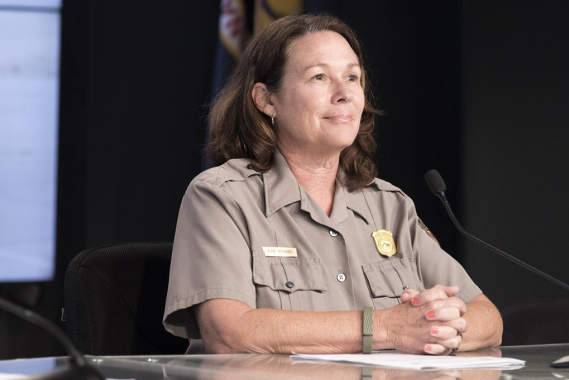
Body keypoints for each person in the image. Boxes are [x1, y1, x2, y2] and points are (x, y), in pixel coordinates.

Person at [163, 14, 503, 356]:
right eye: (319, 77)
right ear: (267, 100)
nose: (344, 94)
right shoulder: (221, 196)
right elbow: (230, 332)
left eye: (352, 77)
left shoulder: (390, 206)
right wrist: (386, 328)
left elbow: (487, 318)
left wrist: (437, 328)